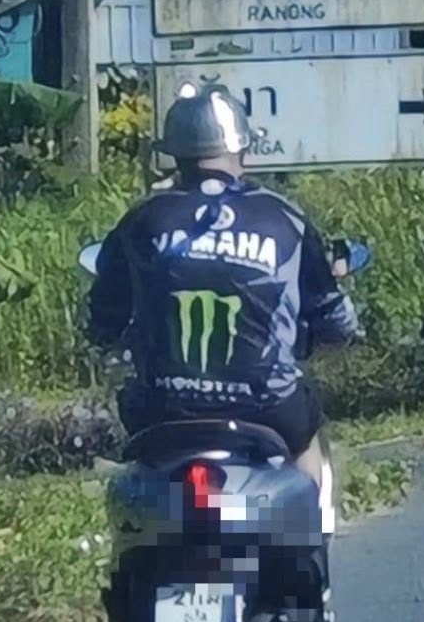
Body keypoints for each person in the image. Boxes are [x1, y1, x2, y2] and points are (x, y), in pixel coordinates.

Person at [86, 80, 360, 500]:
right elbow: (333, 315)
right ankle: (311, 548)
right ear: (242, 151)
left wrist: (109, 339)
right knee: (307, 441)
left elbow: (102, 314)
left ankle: (134, 553)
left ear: (174, 154)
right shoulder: (284, 218)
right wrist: (336, 333)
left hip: (160, 408)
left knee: (137, 475)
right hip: (268, 407)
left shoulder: (143, 219)